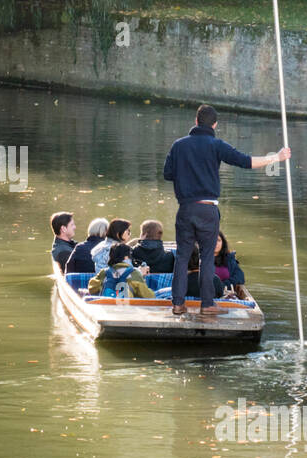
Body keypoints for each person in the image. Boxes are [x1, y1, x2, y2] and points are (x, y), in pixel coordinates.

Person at [163, 104, 290, 316]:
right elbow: (246, 162)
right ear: (215, 125)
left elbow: (168, 174)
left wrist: (187, 175)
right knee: (206, 258)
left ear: (195, 121)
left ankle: (178, 304)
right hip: (207, 210)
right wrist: (276, 158)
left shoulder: (178, 145)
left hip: (185, 209)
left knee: (183, 257)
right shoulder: (216, 145)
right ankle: (207, 304)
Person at [87, 244, 156, 298]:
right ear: (126, 257)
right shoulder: (135, 273)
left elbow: (92, 289)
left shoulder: (104, 272)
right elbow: (148, 296)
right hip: (125, 308)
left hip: (107, 306)